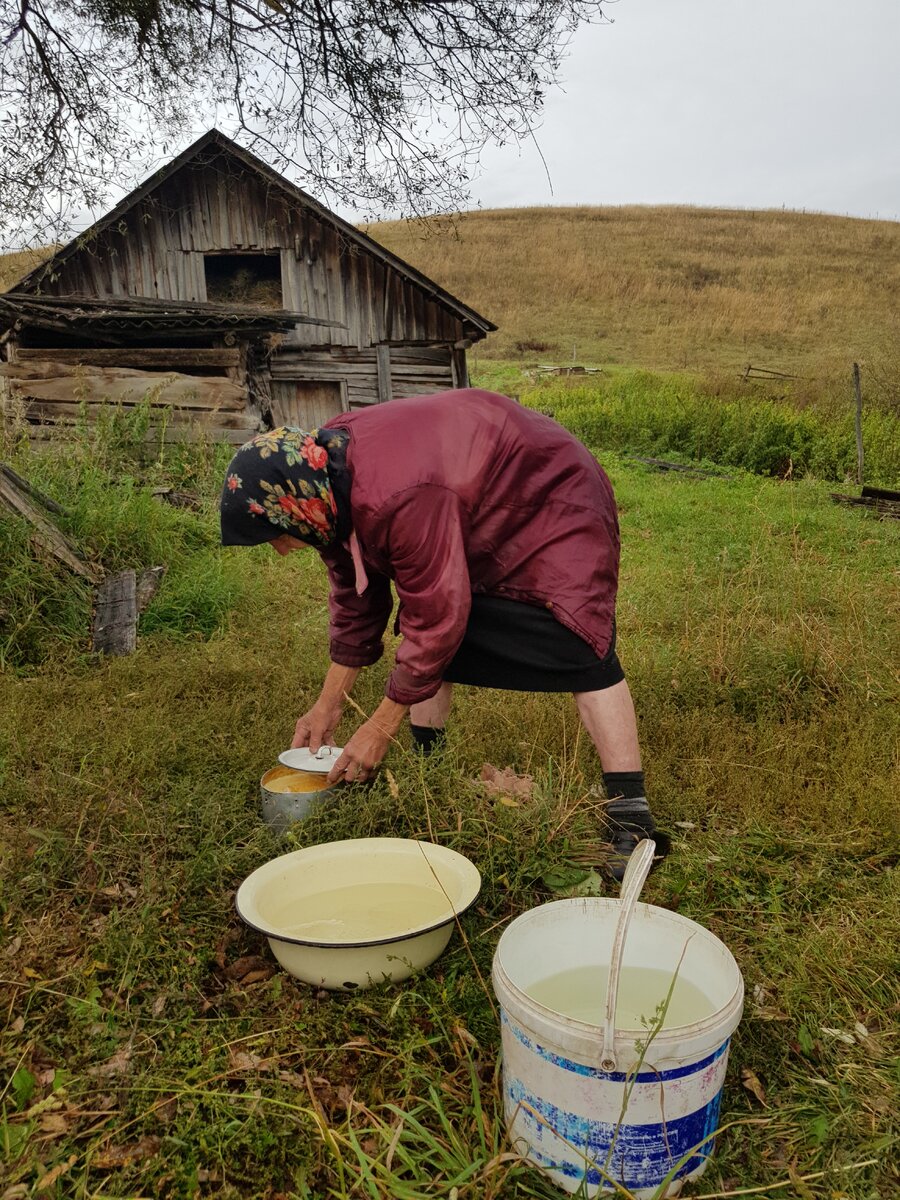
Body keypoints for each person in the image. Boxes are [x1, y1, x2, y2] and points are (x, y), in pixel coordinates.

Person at [219, 388, 668, 879]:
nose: (281, 551)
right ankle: (431, 770)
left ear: (292, 506)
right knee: (434, 633)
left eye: (275, 536)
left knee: (580, 641)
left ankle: (630, 815)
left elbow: (437, 619)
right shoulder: (324, 489)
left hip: (547, 490)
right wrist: (327, 706)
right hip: (468, 494)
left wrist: (379, 726)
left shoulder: (396, 494)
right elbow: (356, 603)